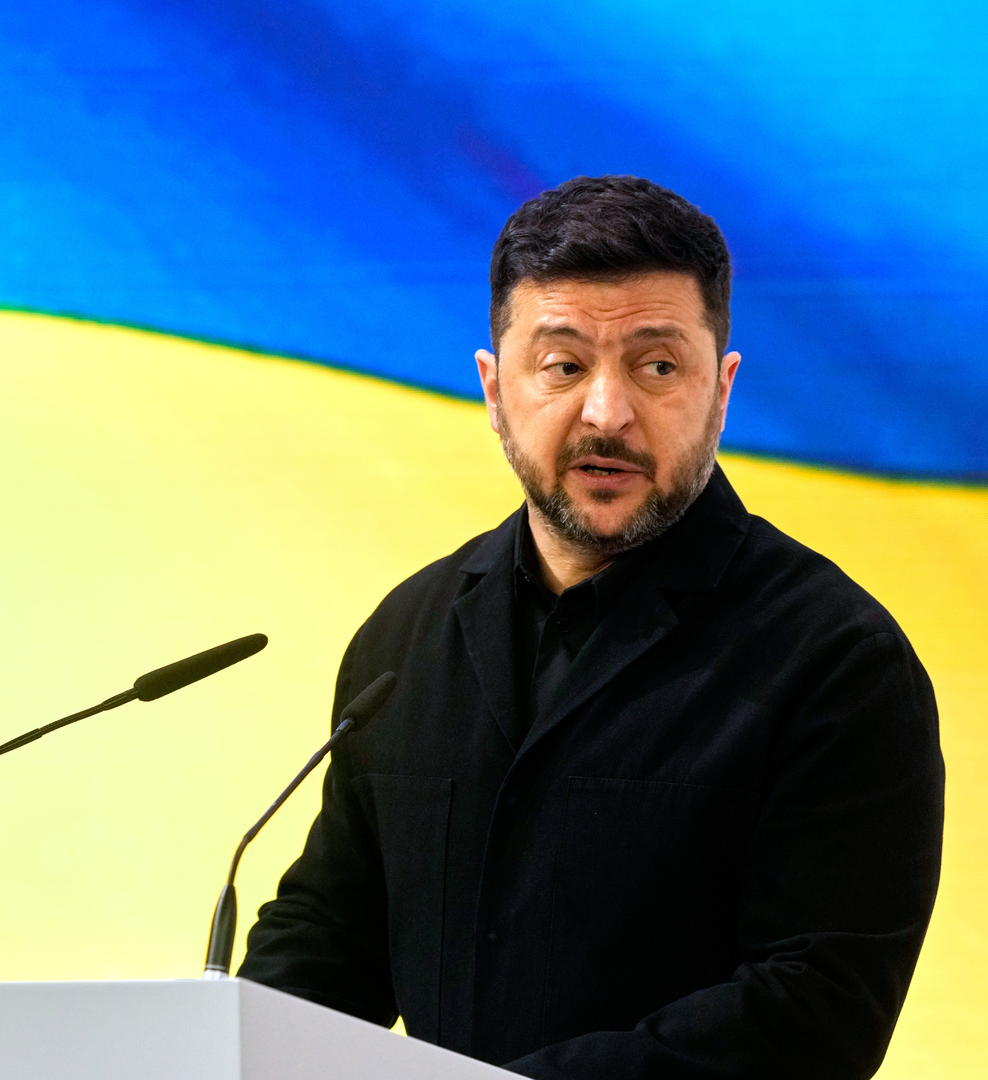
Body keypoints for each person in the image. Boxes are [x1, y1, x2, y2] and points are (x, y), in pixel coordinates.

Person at [238, 175, 944, 1079]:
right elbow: (333, 936)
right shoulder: (408, 637)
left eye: (657, 367)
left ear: (721, 389)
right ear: (495, 390)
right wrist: (228, 1045)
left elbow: (814, 1009)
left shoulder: (835, 662)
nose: (607, 414)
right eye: (563, 366)